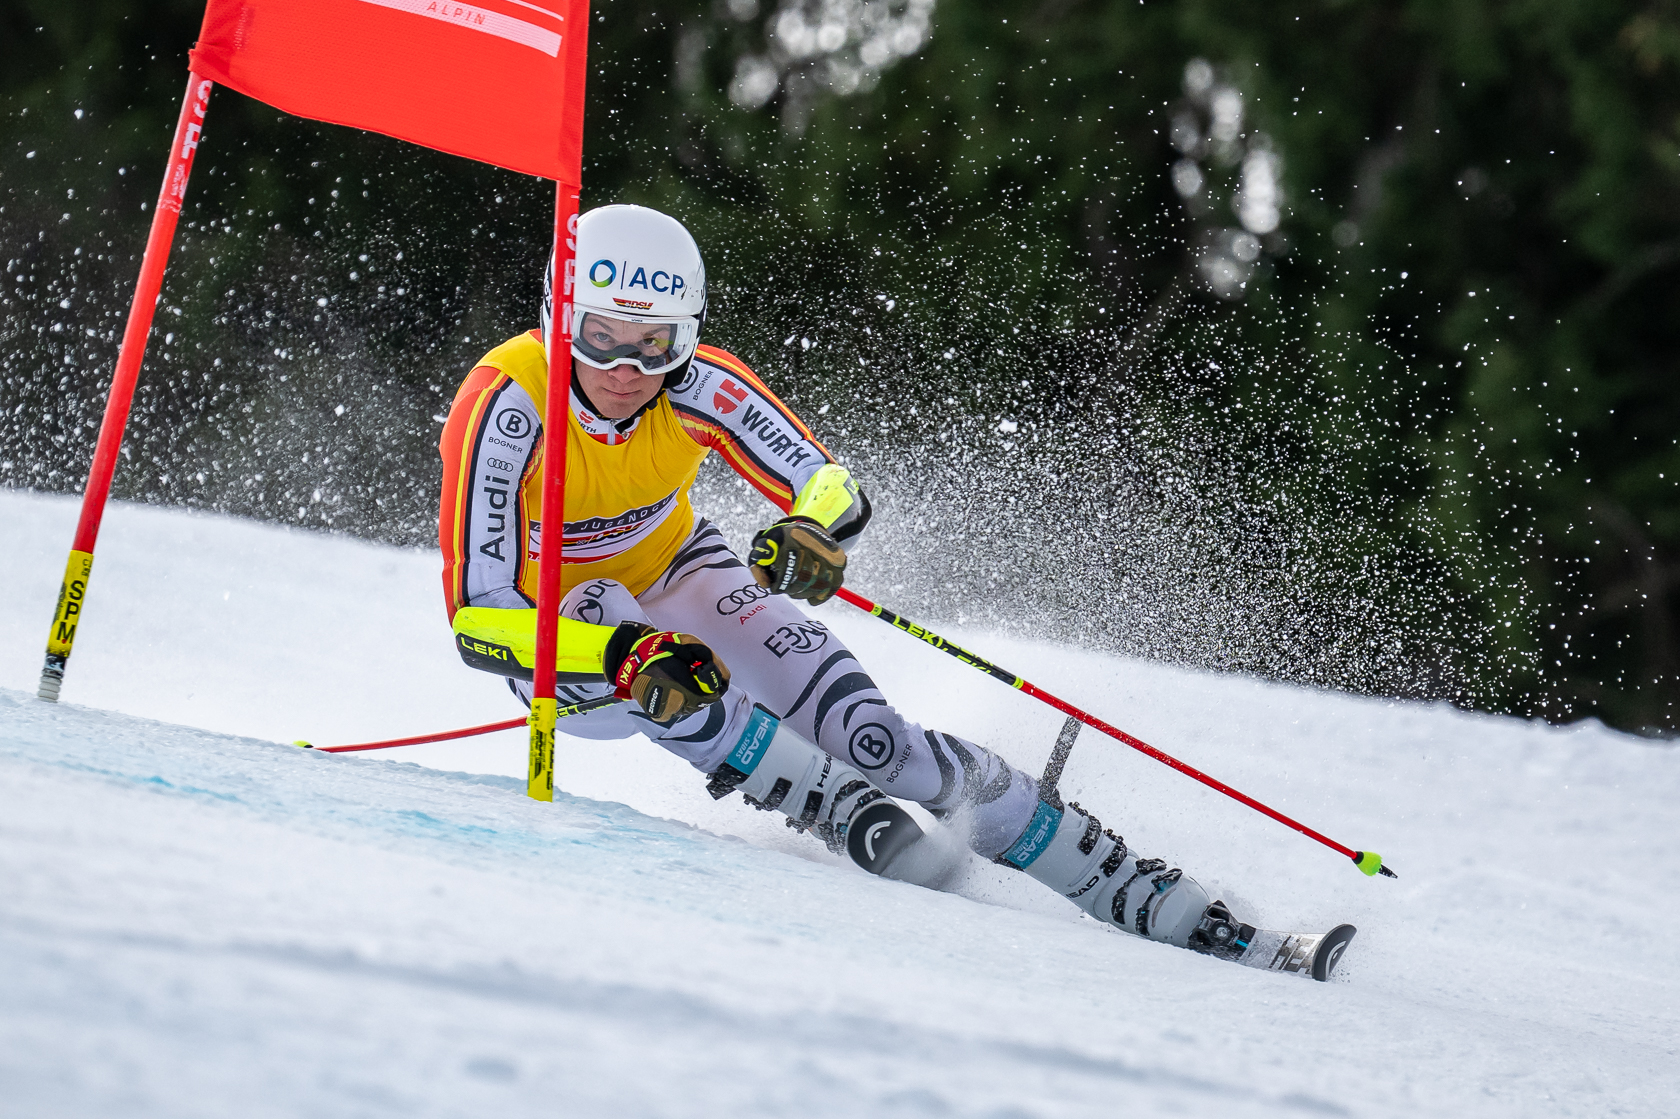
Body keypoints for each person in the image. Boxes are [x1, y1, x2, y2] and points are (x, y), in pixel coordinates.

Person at [438, 204, 1245, 954]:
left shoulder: (698, 385)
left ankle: (1120, 879)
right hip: (564, 643)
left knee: (876, 741)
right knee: (648, 648)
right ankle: (821, 798)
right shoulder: (509, 405)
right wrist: (614, 654)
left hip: (678, 568)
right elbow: (480, 619)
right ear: (556, 315)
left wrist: (810, 531)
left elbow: (828, 483)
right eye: (601, 334)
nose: (625, 367)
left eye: (656, 343)